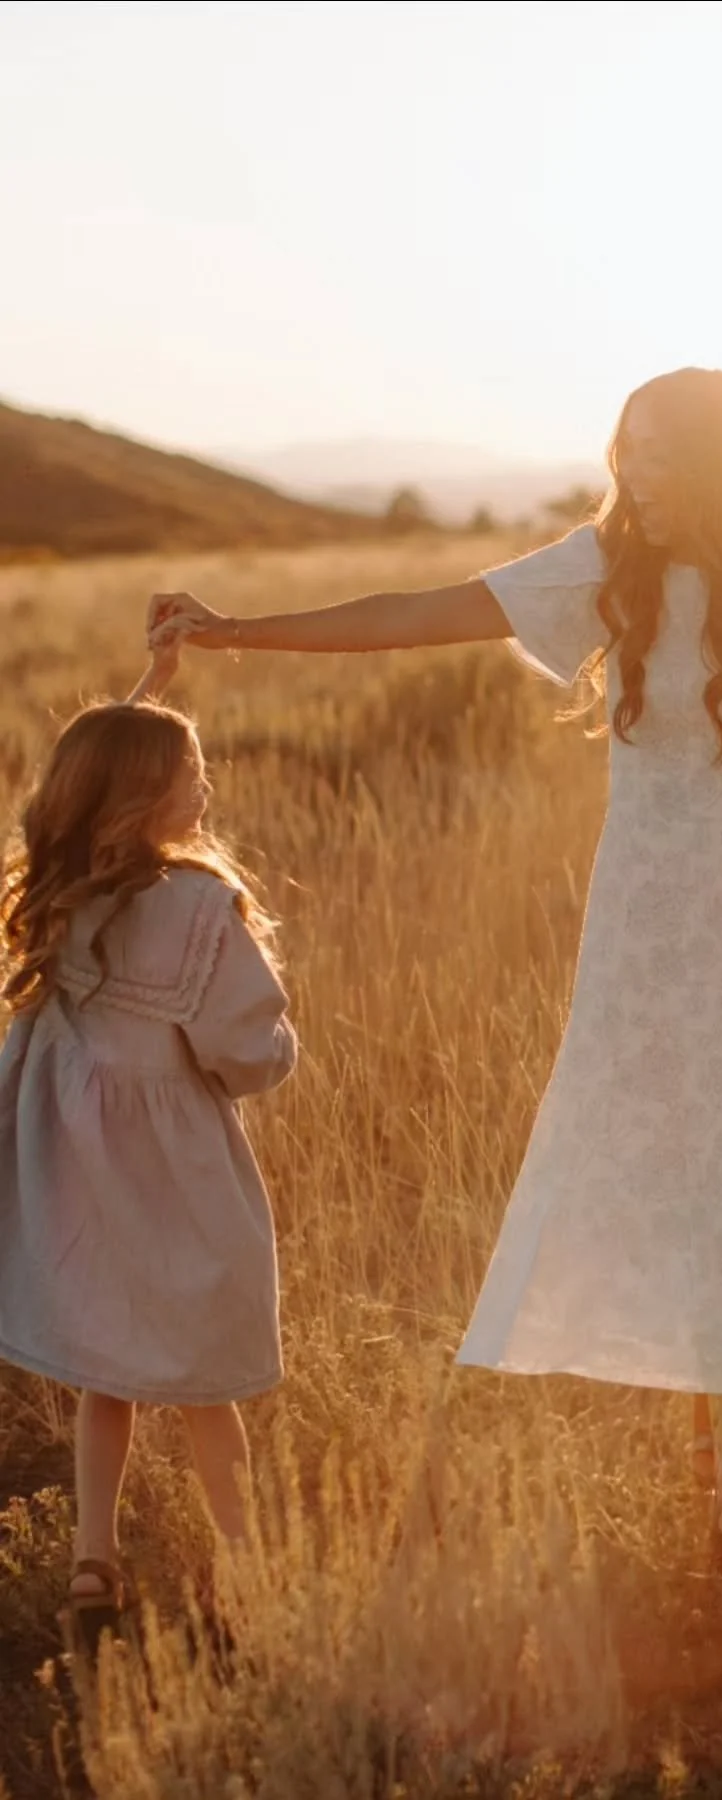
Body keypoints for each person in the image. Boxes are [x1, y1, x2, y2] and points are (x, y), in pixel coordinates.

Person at [147, 367, 722, 1580]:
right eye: (628, 455)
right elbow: (416, 611)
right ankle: (706, 1429)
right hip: (650, 929)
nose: (638, 479)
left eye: (663, 456)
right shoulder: (603, 576)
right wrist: (235, 630)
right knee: (668, 1165)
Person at [0, 643, 298, 1648]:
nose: (205, 783)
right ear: (153, 797)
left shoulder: (69, 887)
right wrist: (276, 1053)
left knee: (107, 1376)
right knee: (211, 1382)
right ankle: (244, 1560)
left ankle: (94, 1556)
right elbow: (242, 1051)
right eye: (192, 770)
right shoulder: (203, 910)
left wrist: (144, 700)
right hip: (176, 1171)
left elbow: (77, 784)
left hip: (85, 1171)